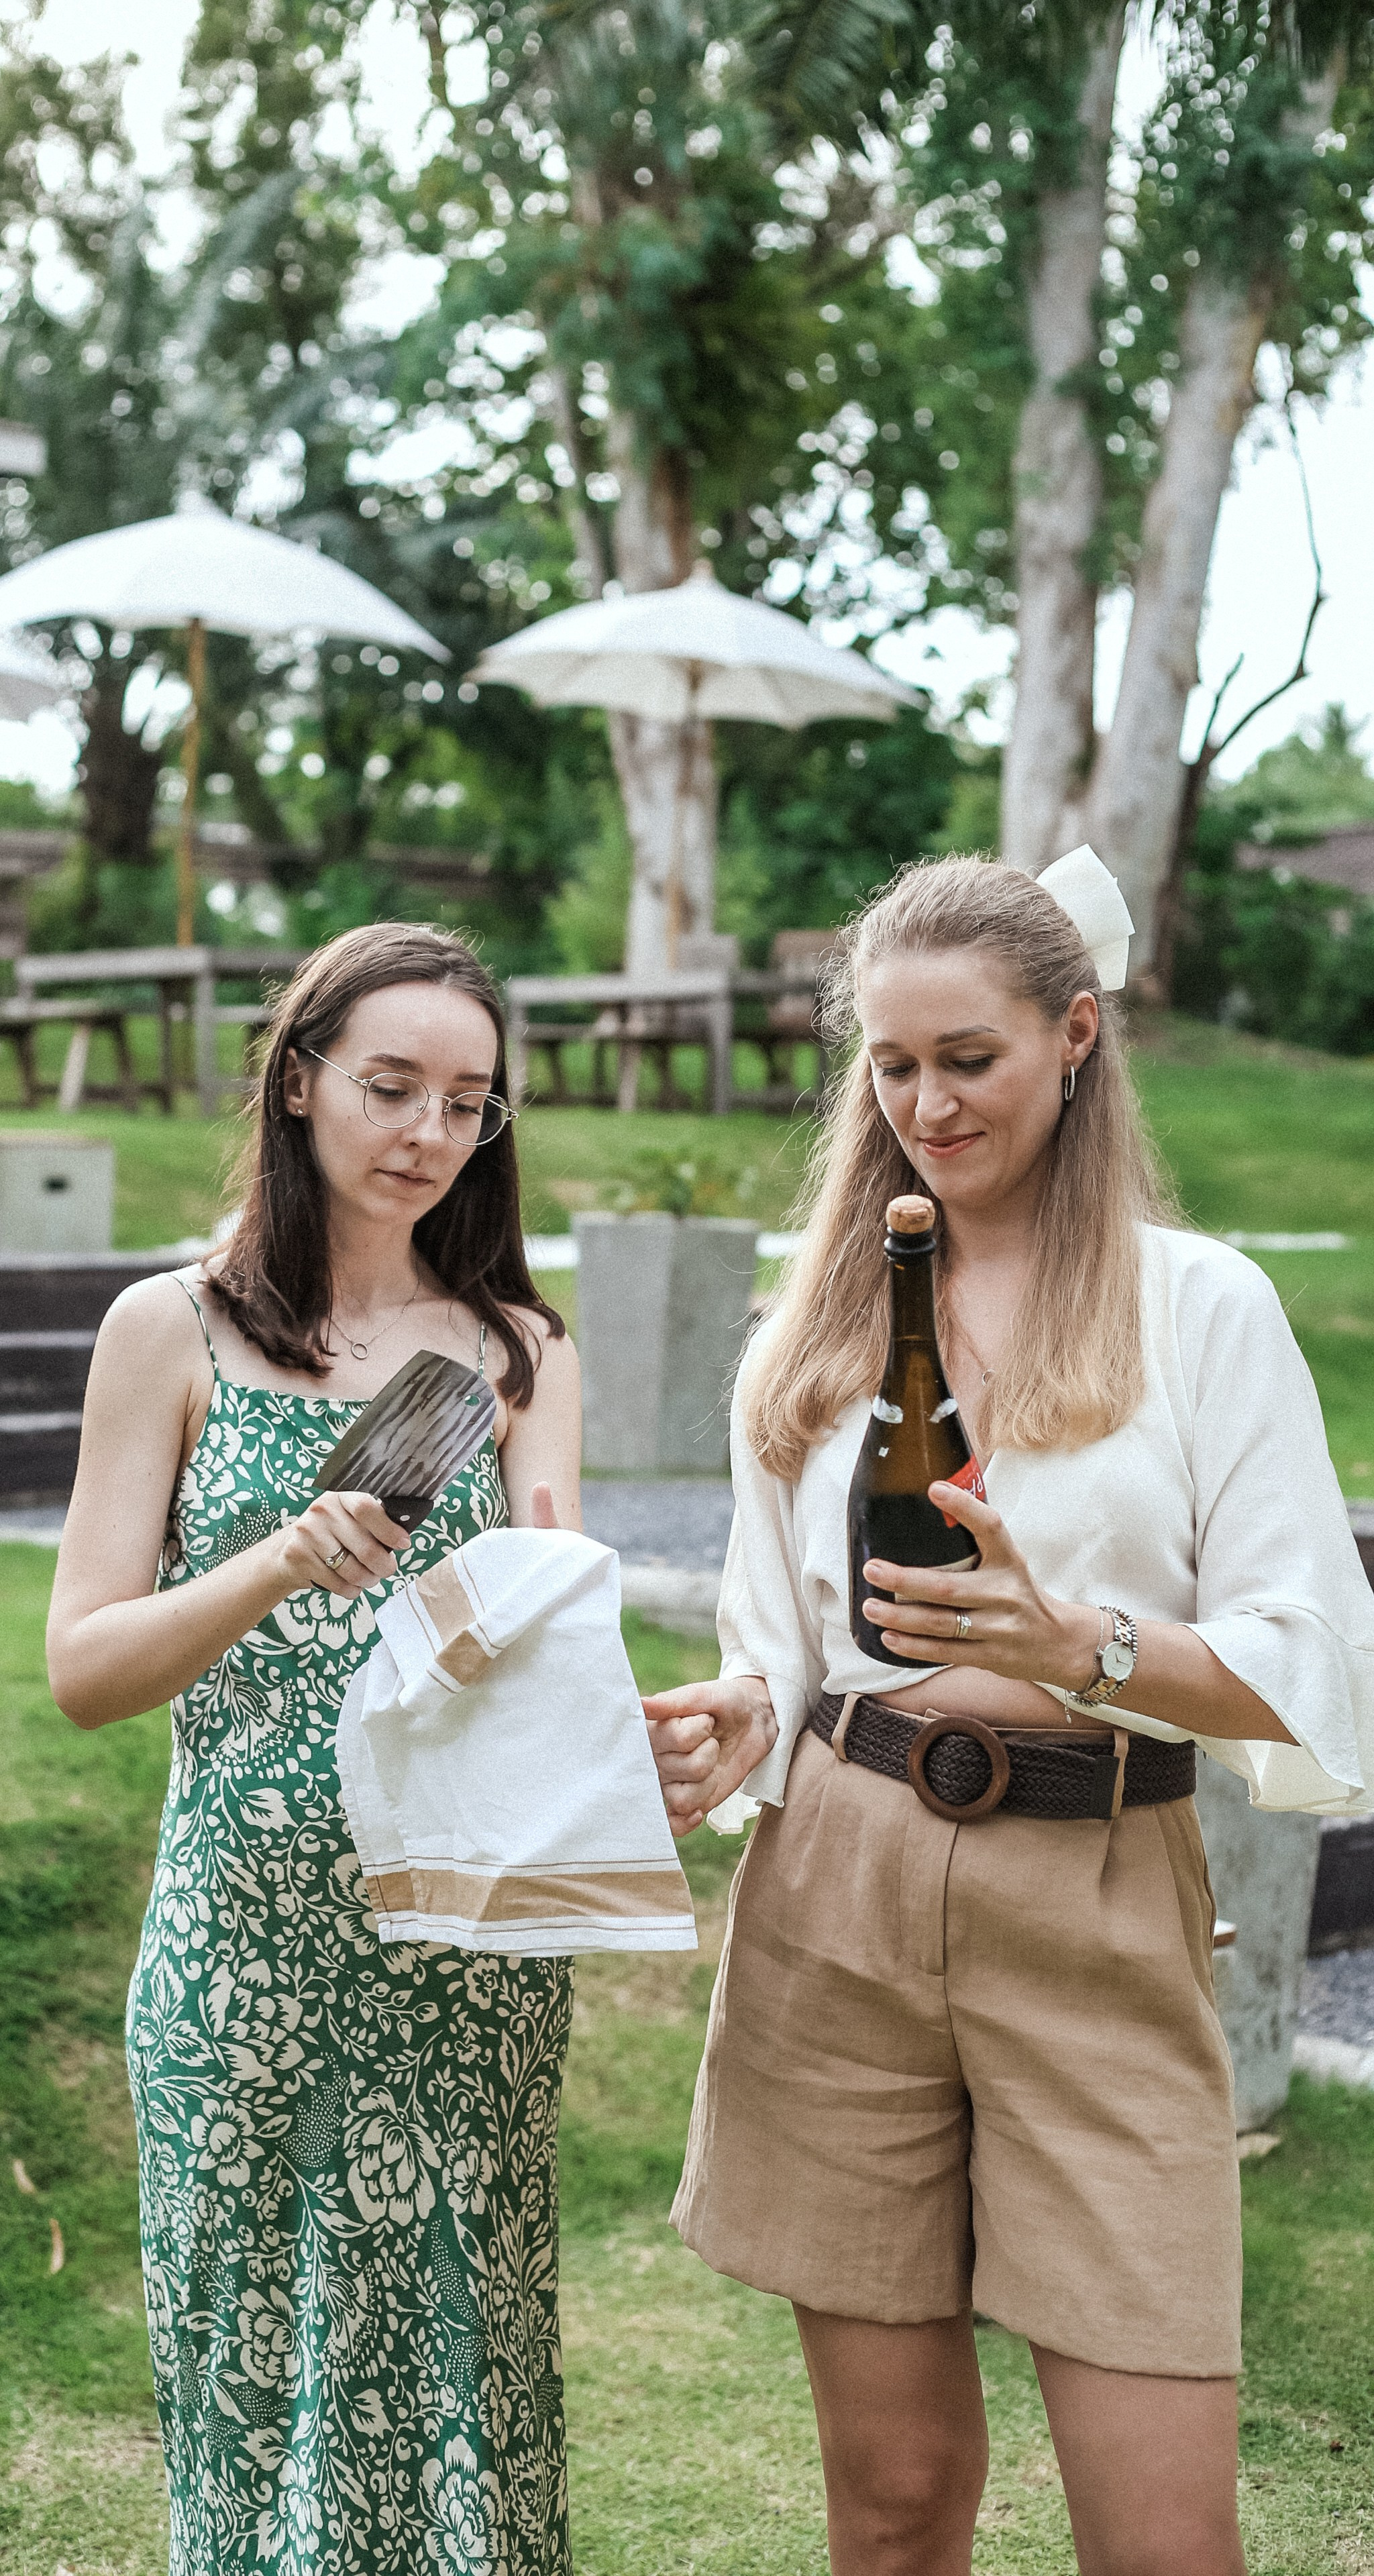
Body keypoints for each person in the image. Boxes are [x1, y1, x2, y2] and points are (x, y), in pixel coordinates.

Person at [643, 854, 1374, 2576]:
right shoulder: (811, 1330)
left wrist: (1080, 1646)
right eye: (889, 1066)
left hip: (1094, 1886)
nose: (921, 1103)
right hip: (838, 1889)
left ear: (1073, 1036)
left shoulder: (1199, 1305)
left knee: (1162, 2540)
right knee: (892, 2510)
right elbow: (780, 1641)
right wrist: (741, 1715)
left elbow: (1307, 1656)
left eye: (963, 1059)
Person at [48, 924, 582, 2576]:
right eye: (390, 1087)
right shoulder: (171, 1332)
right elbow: (82, 1669)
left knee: (464, 2399)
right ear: (297, 1082)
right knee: (252, 2395)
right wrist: (280, 1558)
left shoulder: (514, 1355)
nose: (427, 1132)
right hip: (240, 1960)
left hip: (463, 1952)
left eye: (466, 1102)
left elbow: (557, 1631)